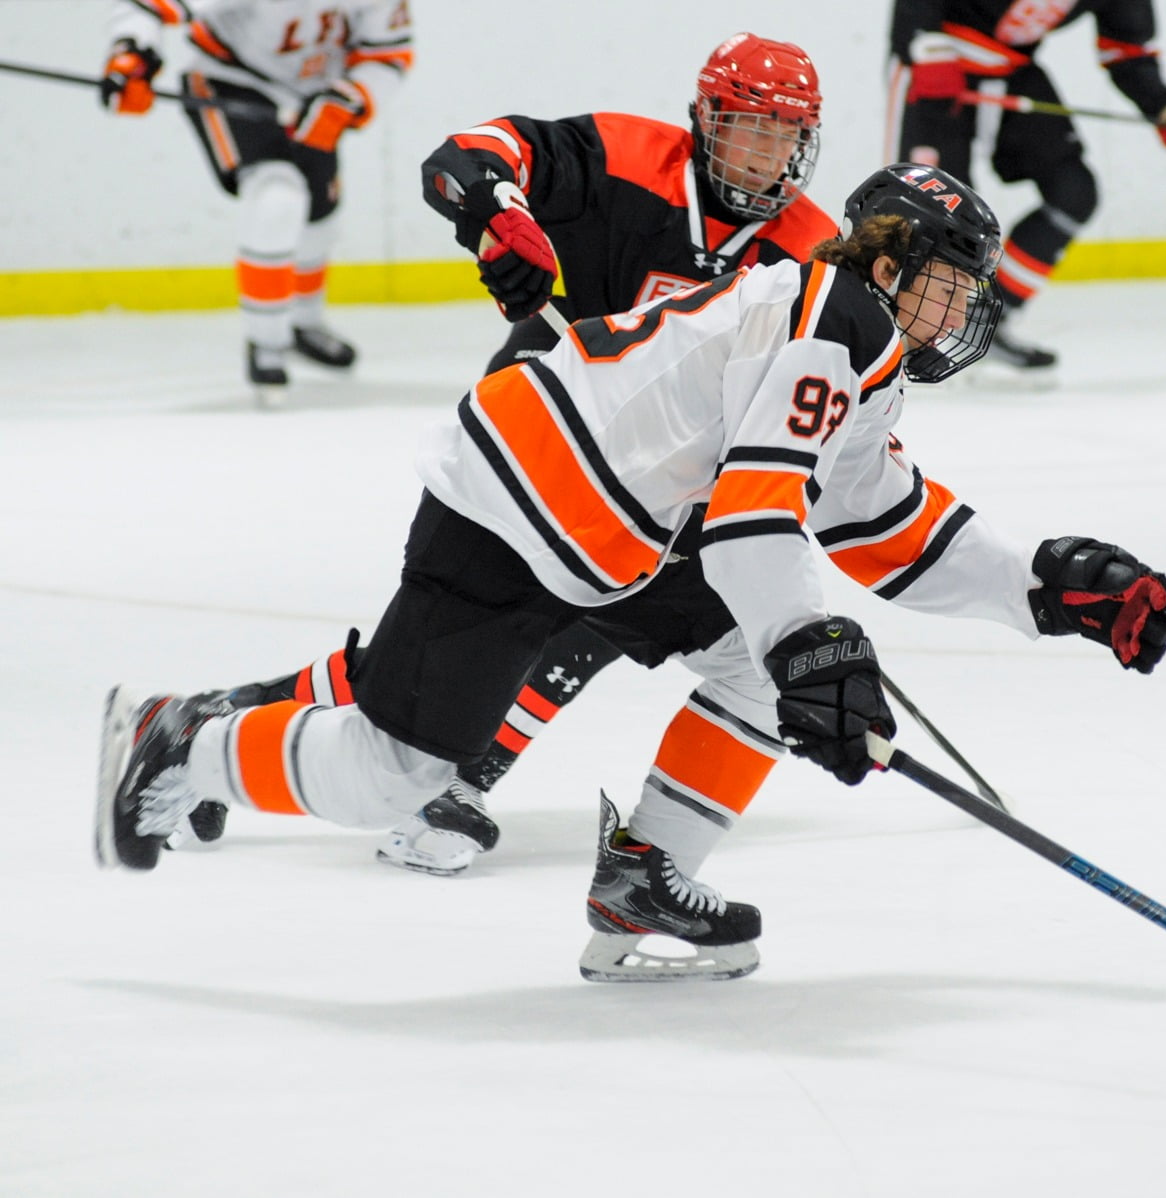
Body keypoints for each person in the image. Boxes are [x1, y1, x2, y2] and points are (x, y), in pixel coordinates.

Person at [95, 162, 1166, 985]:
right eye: (954, 286)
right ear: (893, 268)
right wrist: (817, 648)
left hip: (616, 529)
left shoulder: (864, 353)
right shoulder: (833, 316)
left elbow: (884, 524)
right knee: (397, 774)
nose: (967, 312)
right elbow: (757, 515)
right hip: (520, 499)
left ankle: (639, 882)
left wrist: (1046, 590)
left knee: (760, 671)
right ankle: (181, 742)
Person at [182, 33, 838, 877]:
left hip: (657, 477)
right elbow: (469, 157)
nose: (768, 153)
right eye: (751, 128)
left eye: (787, 134)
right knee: (572, 598)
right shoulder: (629, 155)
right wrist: (500, 218)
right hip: (537, 434)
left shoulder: (809, 250)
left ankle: (223, 719)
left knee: (445, 653)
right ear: (706, 118)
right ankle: (464, 777)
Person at [100, 0, 414, 399]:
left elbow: (387, 53)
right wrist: (132, 55)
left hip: (313, 96)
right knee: (276, 198)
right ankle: (267, 342)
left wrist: (350, 97)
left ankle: (304, 322)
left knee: (320, 214)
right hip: (230, 81)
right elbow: (145, 8)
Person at [886, 0, 1166, 371]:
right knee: (928, 210)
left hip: (1010, 66)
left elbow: (1126, 49)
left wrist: (1165, 106)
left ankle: (982, 324)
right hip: (936, 58)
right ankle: (884, 331)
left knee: (1073, 193)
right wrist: (924, 42)